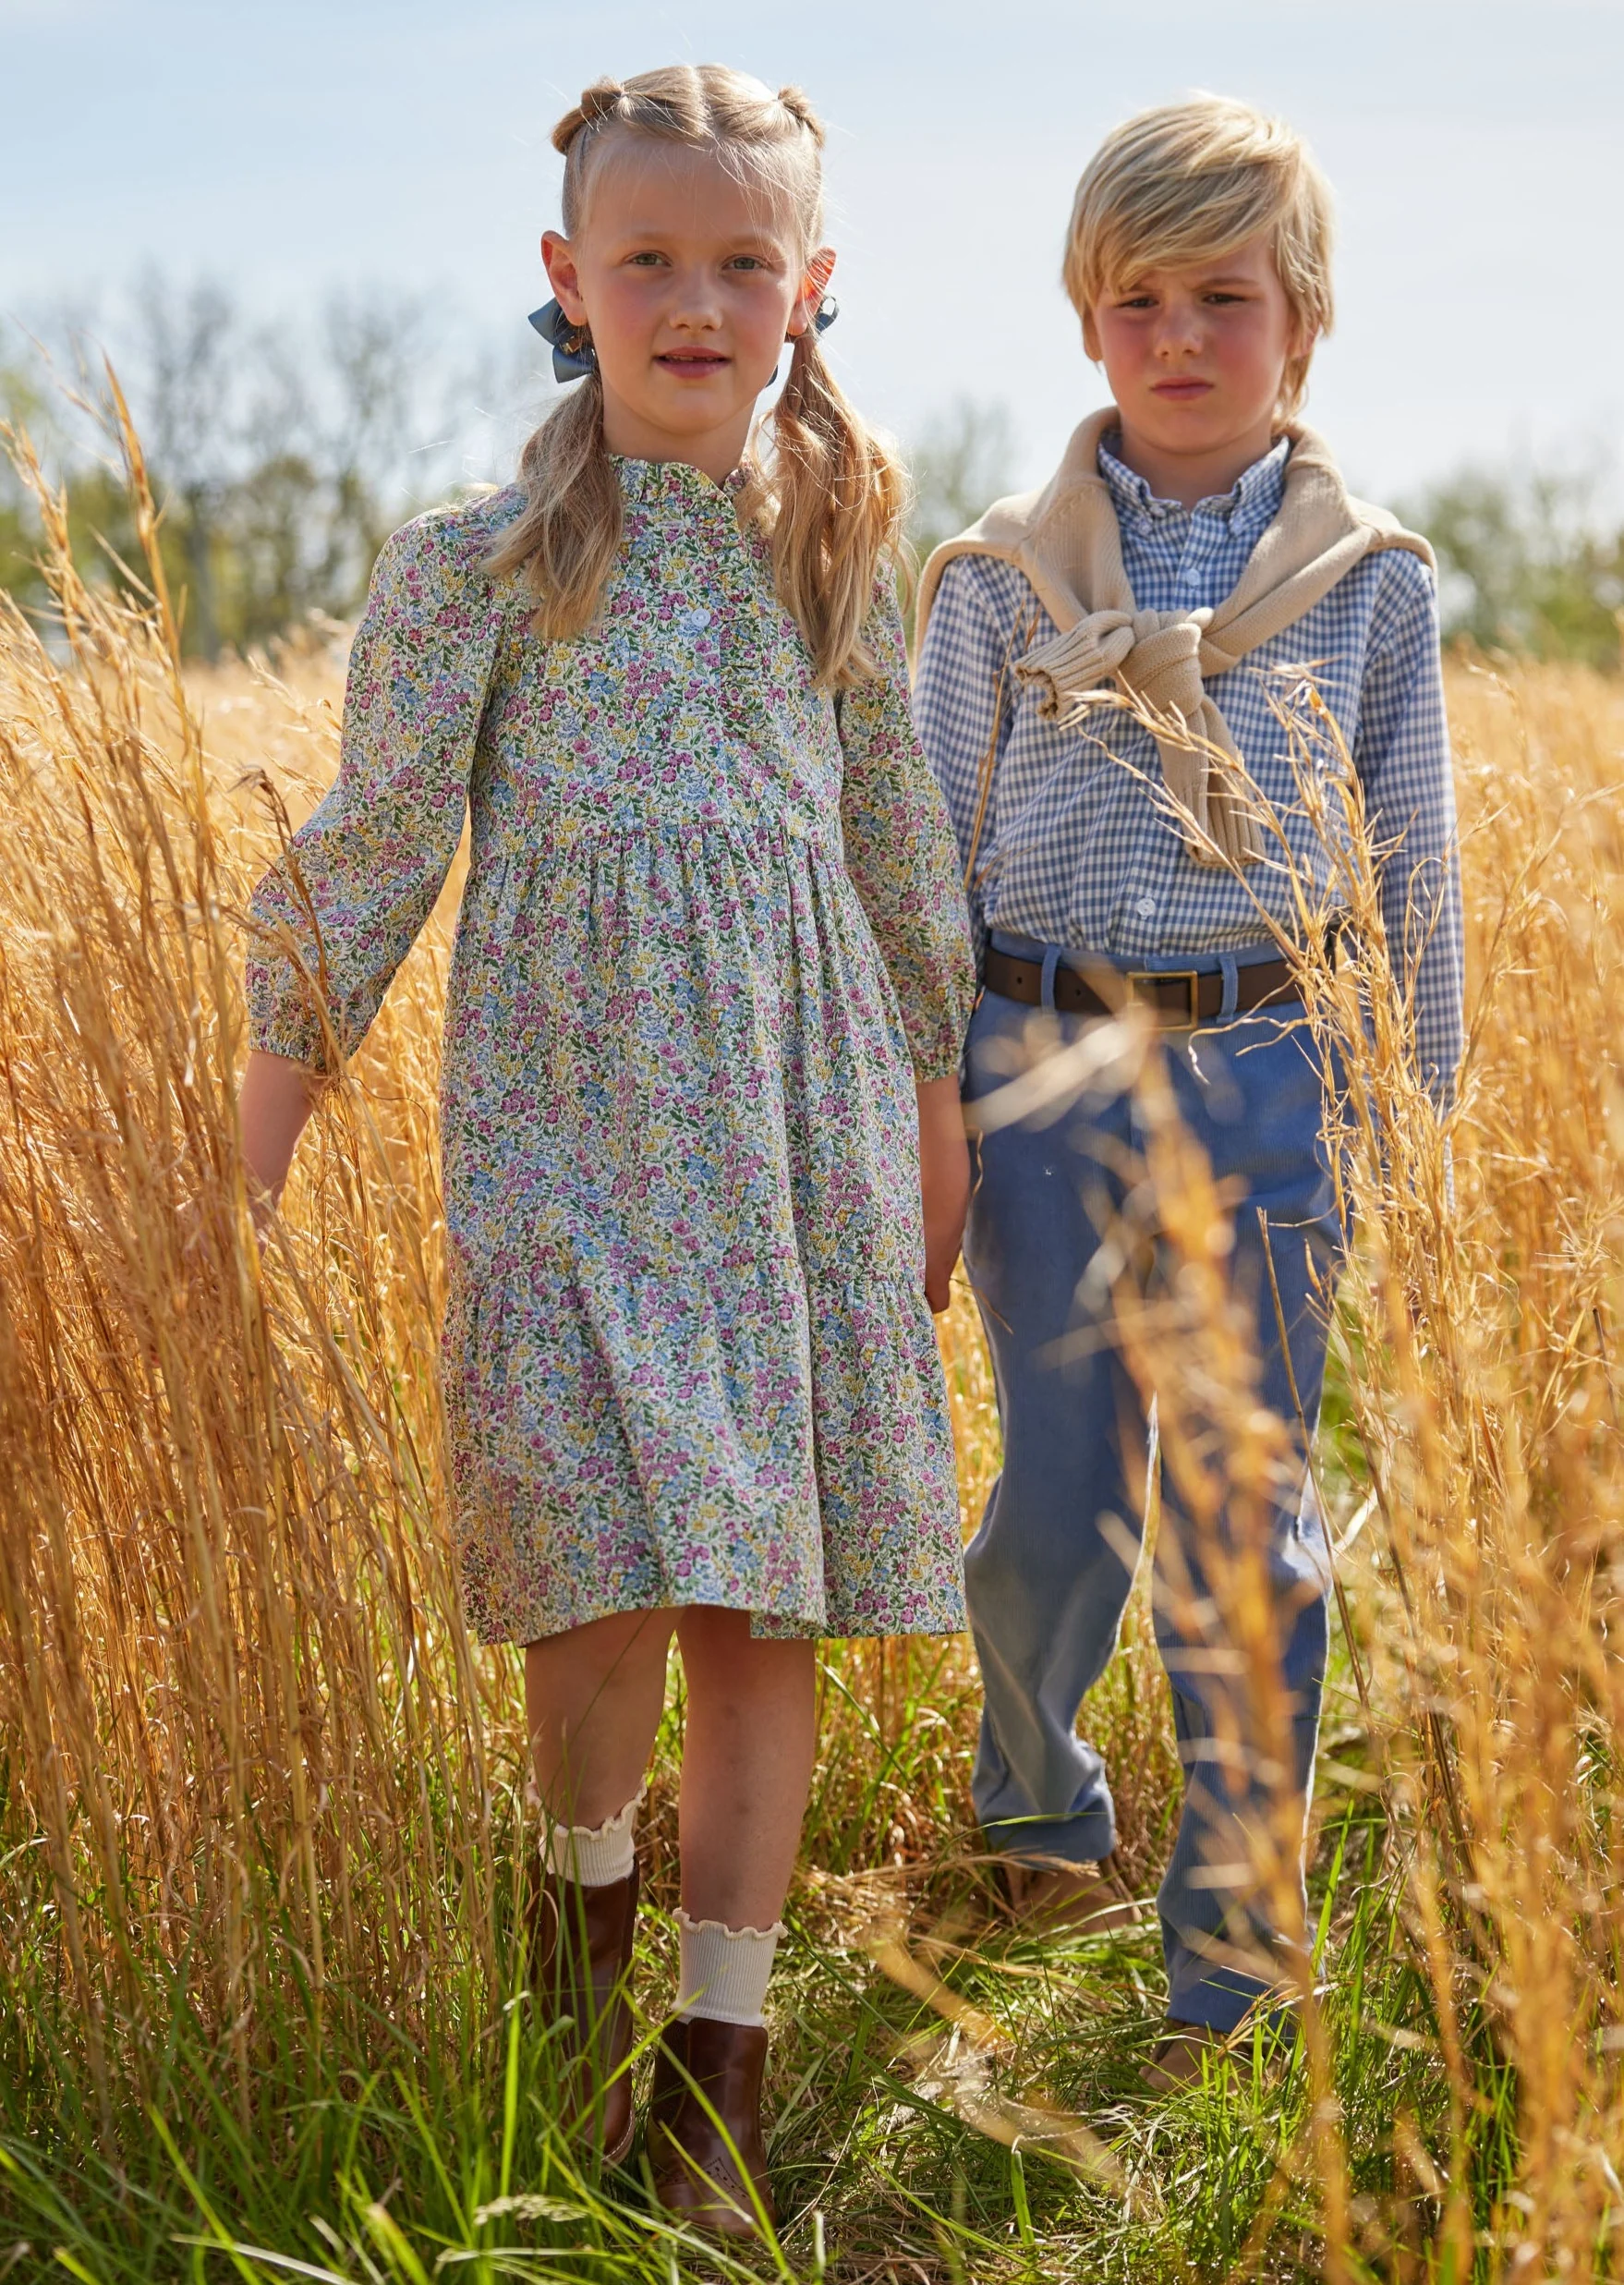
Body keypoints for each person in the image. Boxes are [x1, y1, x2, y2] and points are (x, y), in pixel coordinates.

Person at [240, 63, 976, 2234]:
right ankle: (570, 1941)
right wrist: (250, 1158)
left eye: (741, 260)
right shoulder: (479, 562)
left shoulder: (839, 554)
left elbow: (905, 868)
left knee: (770, 1607)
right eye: (646, 258)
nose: (694, 297)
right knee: (590, 1577)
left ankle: (719, 2070)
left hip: (799, 1147)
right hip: (566, 1141)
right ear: (565, 282)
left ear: (809, 291)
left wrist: (934, 1131)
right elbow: (363, 862)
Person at [913, 95, 1463, 2087]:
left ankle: (1232, 1957)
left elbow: (1414, 869)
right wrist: (921, 1113)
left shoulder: (1371, 585)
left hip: (1271, 1075)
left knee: (1250, 1522)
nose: (1177, 336)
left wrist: (1412, 1120)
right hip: (1038, 1065)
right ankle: (1038, 1793)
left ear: (1299, 323)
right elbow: (919, 862)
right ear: (1086, 324)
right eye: (1135, 298)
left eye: (1221, 296)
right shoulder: (998, 582)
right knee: (1060, 1506)